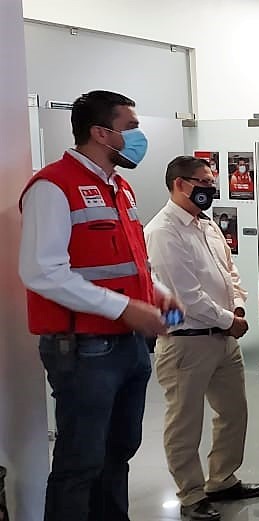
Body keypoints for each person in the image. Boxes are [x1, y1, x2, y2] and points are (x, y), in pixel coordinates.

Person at [18, 90, 180, 521]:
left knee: (117, 453)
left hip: (128, 345)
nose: (138, 137)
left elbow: (130, 260)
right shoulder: (53, 186)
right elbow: (41, 271)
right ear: (101, 133)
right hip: (85, 349)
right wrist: (124, 308)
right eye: (131, 127)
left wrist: (155, 291)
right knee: (80, 462)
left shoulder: (119, 187)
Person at [145, 156, 259, 521]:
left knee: (233, 412)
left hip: (223, 339)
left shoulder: (207, 224)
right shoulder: (163, 232)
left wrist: (238, 305)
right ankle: (191, 493)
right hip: (187, 342)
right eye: (203, 182)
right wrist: (229, 320)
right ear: (179, 184)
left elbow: (229, 272)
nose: (210, 189)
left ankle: (222, 479)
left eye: (212, 182)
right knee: (185, 423)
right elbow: (186, 295)